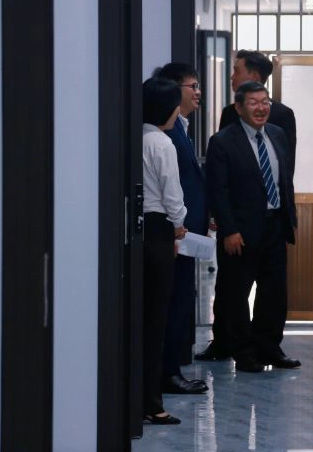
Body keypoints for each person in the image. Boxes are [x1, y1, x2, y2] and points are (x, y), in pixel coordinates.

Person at [197, 49, 296, 361]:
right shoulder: (223, 140)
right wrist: (228, 228)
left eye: (265, 102)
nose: (261, 108)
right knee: (235, 291)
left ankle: (269, 347)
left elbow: (285, 175)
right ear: (238, 108)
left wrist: (288, 216)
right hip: (240, 227)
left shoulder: (278, 133)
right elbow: (218, 188)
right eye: (253, 103)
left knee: (274, 291)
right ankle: (242, 350)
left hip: (274, 224)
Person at [155, 63, 209, 396]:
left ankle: (172, 368)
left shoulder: (181, 127)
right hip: (176, 234)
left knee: (181, 300)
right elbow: (173, 189)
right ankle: (169, 372)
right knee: (174, 302)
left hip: (187, 233)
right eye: (193, 86)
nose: (198, 92)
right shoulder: (165, 134)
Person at [141, 77, 189, 424]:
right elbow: (172, 193)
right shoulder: (162, 143)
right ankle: (153, 404)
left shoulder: (136, 138)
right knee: (156, 319)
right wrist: (179, 223)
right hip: (159, 228)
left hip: (139, 230)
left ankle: (139, 398)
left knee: (141, 318)